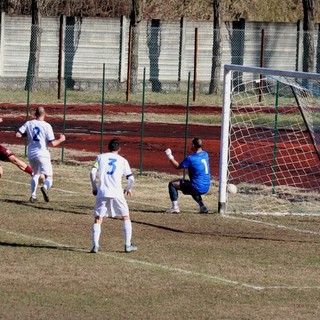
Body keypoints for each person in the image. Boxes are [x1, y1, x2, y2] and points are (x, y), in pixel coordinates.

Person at [89, 138, 137, 253]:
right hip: (117, 193)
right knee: (126, 216)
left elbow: (92, 172)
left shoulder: (100, 157)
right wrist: (127, 188)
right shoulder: (123, 160)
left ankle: (95, 245)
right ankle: (127, 244)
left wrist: (94, 187)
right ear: (119, 149)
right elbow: (131, 178)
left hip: (103, 192)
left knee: (98, 218)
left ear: (108, 147)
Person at [16, 107, 66, 203]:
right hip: (43, 153)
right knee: (49, 176)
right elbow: (53, 143)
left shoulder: (29, 123)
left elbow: (18, 134)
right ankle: (45, 187)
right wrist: (61, 139)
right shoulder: (47, 126)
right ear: (45, 114)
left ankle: (33, 196)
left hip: (31, 153)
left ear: (35, 114)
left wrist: (28, 135)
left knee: (35, 174)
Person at [164, 137, 211, 214]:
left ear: (193, 145)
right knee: (192, 186)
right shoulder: (205, 154)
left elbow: (177, 166)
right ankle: (202, 207)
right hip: (206, 186)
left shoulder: (191, 159)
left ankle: (175, 208)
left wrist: (169, 155)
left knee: (172, 184)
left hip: (197, 186)